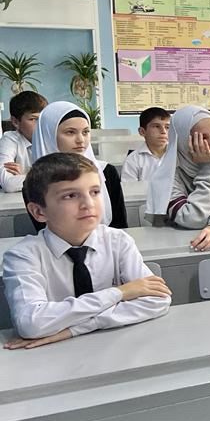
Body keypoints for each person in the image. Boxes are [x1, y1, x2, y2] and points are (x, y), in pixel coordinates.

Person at [3, 153, 170, 349]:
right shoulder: (23, 256)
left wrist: (75, 329)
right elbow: (31, 323)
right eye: (70, 196)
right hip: (53, 357)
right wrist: (120, 292)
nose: (88, 204)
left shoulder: (118, 241)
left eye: (95, 192)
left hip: (116, 348)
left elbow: (158, 299)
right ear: (39, 212)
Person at [145, 105, 210, 252]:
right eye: (202, 138)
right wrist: (208, 170)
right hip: (177, 249)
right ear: (182, 141)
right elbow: (192, 218)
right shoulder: (166, 176)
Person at [30, 101, 127, 229]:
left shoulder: (106, 171)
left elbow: (120, 225)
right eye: (70, 132)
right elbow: (46, 228)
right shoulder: (36, 180)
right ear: (49, 135)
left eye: (85, 132)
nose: (81, 140)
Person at [0, 90, 47, 193]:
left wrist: (27, 174)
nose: (41, 124)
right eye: (33, 119)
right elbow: (9, 184)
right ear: (15, 122)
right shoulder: (9, 140)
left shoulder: (53, 138)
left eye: (43, 118)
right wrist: (49, 177)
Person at [121, 107, 171, 182]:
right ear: (142, 132)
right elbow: (130, 188)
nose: (163, 131)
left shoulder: (178, 155)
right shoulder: (133, 160)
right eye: (157, 126)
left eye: (167, 127)